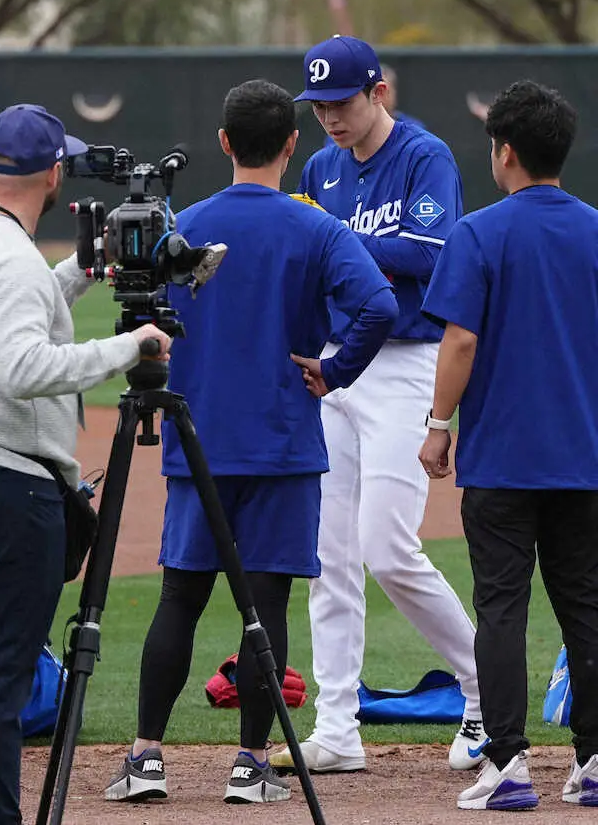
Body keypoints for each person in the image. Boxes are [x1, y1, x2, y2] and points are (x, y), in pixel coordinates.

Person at [103, 80, 398, 805]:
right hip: (284, 444)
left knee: (179, 597)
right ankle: (250, 764)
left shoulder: (184, 224)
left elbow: (139, 328)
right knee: (263, 605)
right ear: (292, 144)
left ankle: (144, 757)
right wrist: (332, 371)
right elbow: (380, 305)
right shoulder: (318, 227)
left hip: (198, 440)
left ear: (225, 142)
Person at [0, 102, 171, 825]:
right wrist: (133, 346)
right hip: (1, 483)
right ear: (54, 172)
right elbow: (24, 364)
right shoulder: (10, 258)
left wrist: (83, 273)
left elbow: (12, 307)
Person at [270, 34, 484, 775]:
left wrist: (332, 243)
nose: (330, 116)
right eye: (319, 104)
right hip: (339, 368)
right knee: (327, 557)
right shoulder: (323, 167)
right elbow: (313, 264)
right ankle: (336, 725)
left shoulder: (424, 157)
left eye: (342, 101)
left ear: (378, 92)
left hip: (408, 366)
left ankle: (483, 688)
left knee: (388, 547)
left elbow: (431, 255)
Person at [419, 81, 598, 812]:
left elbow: (460, 337)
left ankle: (509, 761)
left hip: (501, 457)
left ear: (507, 153)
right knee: (586, 604)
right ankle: (593, 760)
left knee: (502, 607)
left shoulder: (481, 232)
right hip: (584, 455)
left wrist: (437, 423)